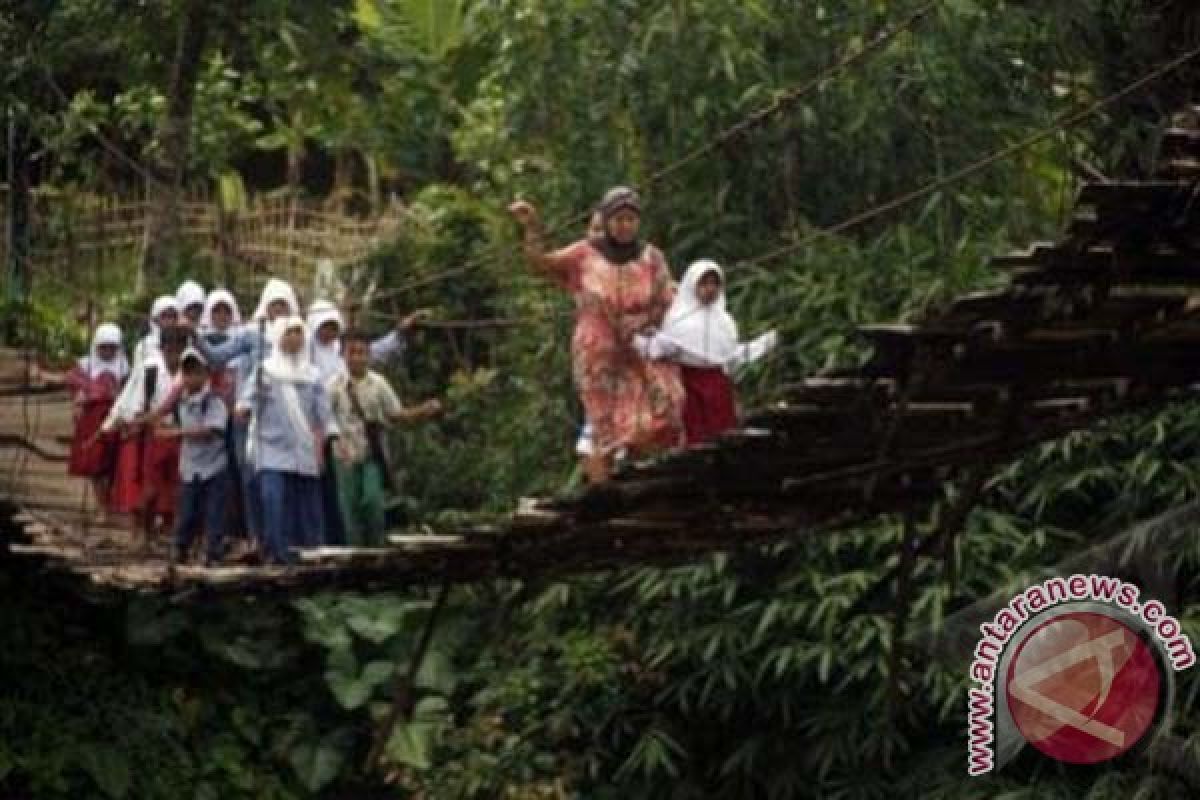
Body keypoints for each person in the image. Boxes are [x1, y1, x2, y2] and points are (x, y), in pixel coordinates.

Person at [509, 186, 684, 483]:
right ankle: (606, 490)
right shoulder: (584, 253)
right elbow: (540, 264)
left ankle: (633, 473)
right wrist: (531, 227)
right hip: (597, 352)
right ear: (607, 220)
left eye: (631, 219)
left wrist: (643, 318)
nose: (625, 225)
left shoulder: (652, 258)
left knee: (666, 403)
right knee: (603, 423)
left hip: (639, 348)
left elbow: (666, 301)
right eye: (618, 218)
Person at [634, 259, 778, 444]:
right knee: (695, 436)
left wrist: (765, 343)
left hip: (718, 385)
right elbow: (658, 348)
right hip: (688, 383)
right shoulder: (678, 319)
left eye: (715, 284)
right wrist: (632, 339)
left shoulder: (725, 322)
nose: (710, 289)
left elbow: (731, 356)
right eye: (704, 283)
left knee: (724, 433)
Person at [237, 316, 339, 564]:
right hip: (271, 449)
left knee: (306, 509)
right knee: (274, 502)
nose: (294, 338)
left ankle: (309, 556)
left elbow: (323, 414)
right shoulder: (265, 371)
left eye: (298, 333)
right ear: (278, 337)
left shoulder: (312, 375)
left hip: (303, 450)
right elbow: (243, 406)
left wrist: (332, 439)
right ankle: (277, 554)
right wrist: (251, 403)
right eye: (288, 333)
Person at [327, 330, 442, 546]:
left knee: (372, 502)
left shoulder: (379, 384)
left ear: (369, 355)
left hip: (371, 453)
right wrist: (333, 441)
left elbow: (396, 414)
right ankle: (356, 552)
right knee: (349, 508)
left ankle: (376, 548)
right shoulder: (334, 386)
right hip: (344, 456)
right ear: (343, 355)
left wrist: (423, 410)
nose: (357, 358)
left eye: (362, 353)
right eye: (352, 353)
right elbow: (324, 417)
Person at [101, 324, 187, 551]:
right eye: (171, 348)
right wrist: (118, 421)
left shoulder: (189, 371)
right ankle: (141, 532)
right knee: (149, 487)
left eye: (179, 347)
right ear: (163, 348)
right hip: (154, 435)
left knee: (174, 488)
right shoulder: (150, 370)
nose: (175, 354)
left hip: (179, 436)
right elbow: (132, 397)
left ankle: (168, 533)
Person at [158, 347, 229, 567]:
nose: (191, 377)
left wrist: (177, 433)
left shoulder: (214, 401)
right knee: (187, 511)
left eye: (196, 372)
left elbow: (213, 430)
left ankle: (212, 553)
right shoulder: (180, 403)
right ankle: (181, 549)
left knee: (214, 512)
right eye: (187, 373)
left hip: (214, 466)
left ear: (205, 373)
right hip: (189, 466)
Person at [65, 323, 129, 520]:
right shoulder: (85, 365)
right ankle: (102, 506)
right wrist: (77, 403)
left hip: (115, 418)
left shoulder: (124, 367)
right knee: (95, 464)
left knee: (112, 463)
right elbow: (74, 387)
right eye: (104, 346)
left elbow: (128, 392)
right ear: (96, 345)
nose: (108, 351)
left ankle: (107, 502)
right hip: (91, 419)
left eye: (112, 347)